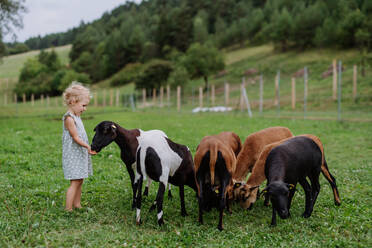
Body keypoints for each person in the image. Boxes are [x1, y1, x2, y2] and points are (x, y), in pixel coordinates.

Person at [62, 82, 96, 211]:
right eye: (83, 105)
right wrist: (87, 146)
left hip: (79, 153)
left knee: (80, 180)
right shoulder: (69, 119)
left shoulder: (77, 116)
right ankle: (68, 208)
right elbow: (75, 137)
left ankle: (77, 204)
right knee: (75, 182)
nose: (85, 109)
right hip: (73, 155)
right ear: (73, 102)